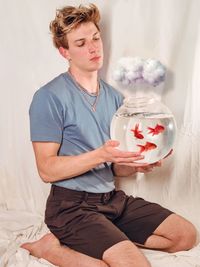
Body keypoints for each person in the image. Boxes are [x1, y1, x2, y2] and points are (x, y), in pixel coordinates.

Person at [21, 3, 197, 267]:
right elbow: (46, 170)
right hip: (71, 207)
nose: (93, 48)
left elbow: (115, 168)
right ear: (64, 52)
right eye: (80, 43)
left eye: (95, 38)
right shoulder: (48, 97)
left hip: (112, 201)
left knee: (185, 236)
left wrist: (138, 164)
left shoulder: (114, 98)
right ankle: (50, 249)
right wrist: (100, 154)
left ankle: (111, 238)